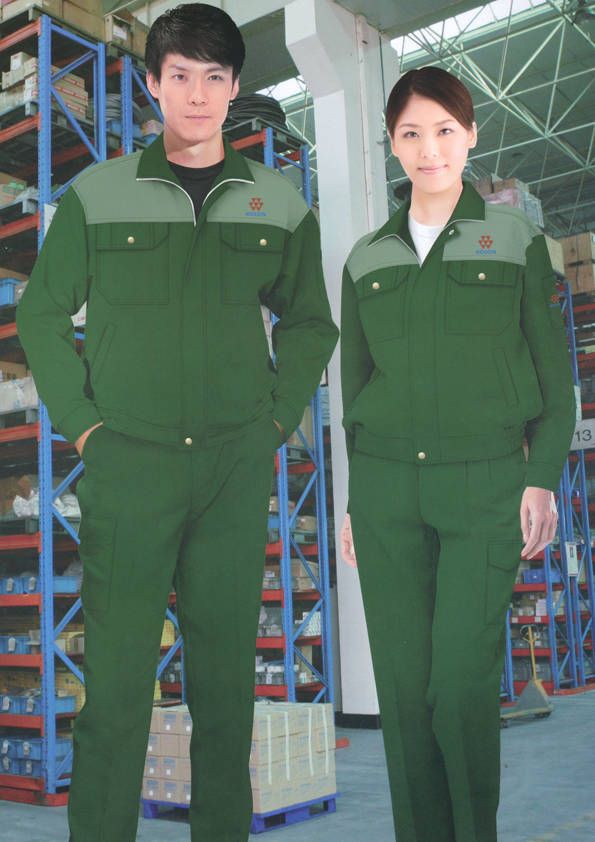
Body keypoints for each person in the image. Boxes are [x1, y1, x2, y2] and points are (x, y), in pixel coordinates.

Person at [16, 4, 337, 841]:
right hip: (130, 467)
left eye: (215, 77)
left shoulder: (274, 203)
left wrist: (275, 423)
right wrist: (86, 427)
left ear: (234, 87)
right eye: (181, 76)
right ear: (152, 85)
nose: (197, 95)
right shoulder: (99, 195)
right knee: (117, 693)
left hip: (233, 469)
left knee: (227, 696)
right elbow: (41, 314)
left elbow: (310, 323)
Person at [339, 66, 575, 842]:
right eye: (410, 133)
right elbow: (355, 393)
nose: (429, 148)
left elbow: (555, 382)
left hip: (484, 489)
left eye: (443, 130)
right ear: (391, 143)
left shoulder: (514, 242)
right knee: (405, 694)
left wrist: (540, 479)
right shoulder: (365, 258)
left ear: (470, 135)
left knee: (460, 684)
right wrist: (353, 503)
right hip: (386, 495)